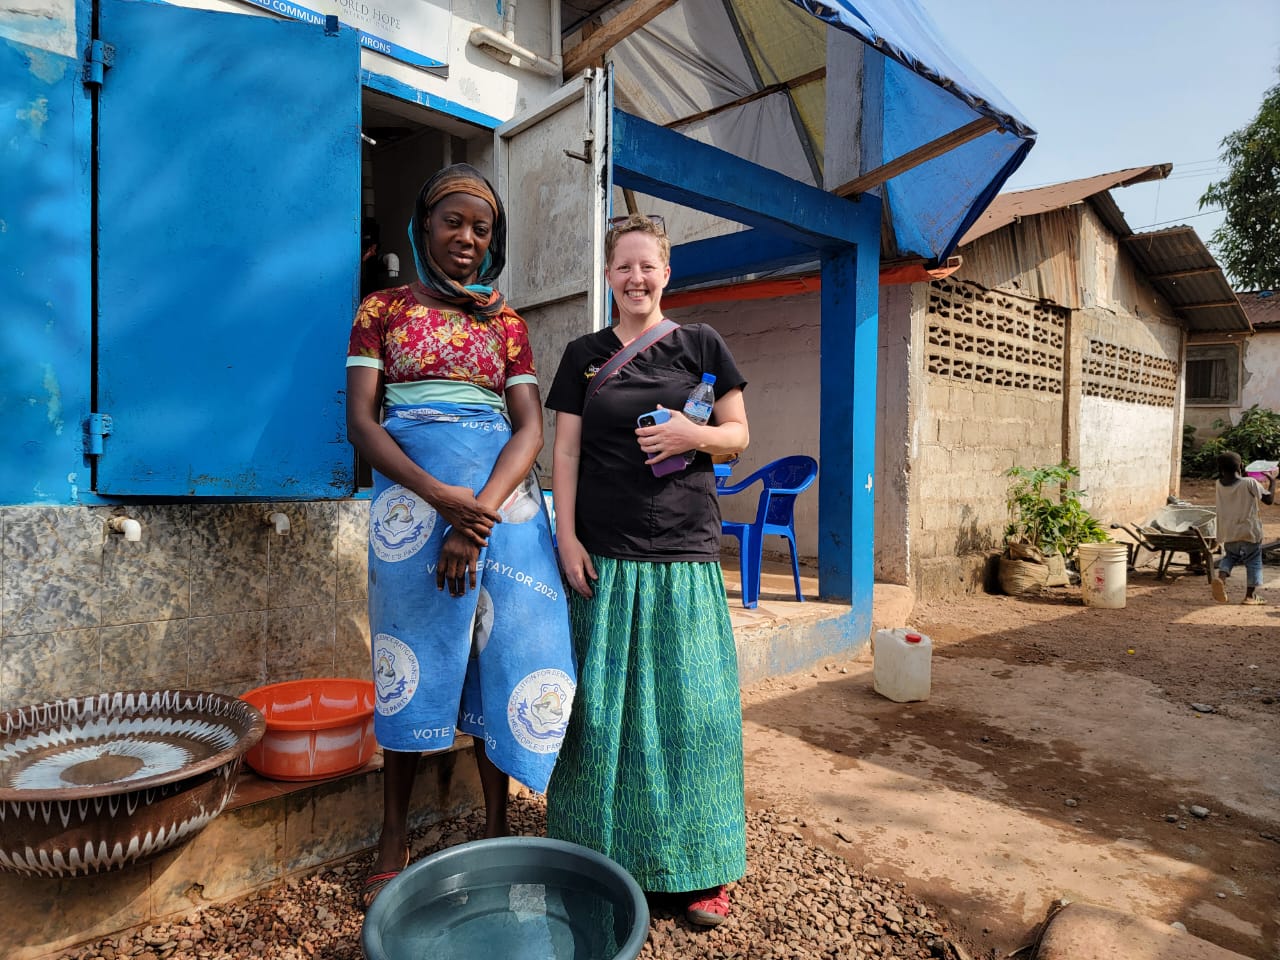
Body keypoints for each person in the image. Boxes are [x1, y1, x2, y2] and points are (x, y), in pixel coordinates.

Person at [346, 164, 575, 911]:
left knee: (503, 657)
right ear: (423, 227)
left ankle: (499, 824)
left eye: (481, 229)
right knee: (410, 656)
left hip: (500, 509)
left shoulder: (506, 324)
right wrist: (444, 502)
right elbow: (364, 423)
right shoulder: (380, 310)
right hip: (412, 514)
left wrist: (477, 514)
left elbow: (530, 427)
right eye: (454, 223)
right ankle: (392, 833)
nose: (468, 239)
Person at [543, 212, 750, 927]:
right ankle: (594, 856)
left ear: (668, 272)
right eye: (623, 266)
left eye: (648, 265)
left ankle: (702, 869)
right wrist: (565, 537)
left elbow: (738, 435)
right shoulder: (582, 355)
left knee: (696, 715)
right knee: (600, 716)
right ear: (607, 276)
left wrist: (695, 433)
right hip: (603, 555)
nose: (636, 278)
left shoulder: (701, 344)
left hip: (685, 554)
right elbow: (563, 453)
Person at [1211, 451, 1275, 605]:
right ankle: (1250, 596)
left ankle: (1221, 578)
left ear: (1220, 468)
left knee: (1230, 557)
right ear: (1240, 466)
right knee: (1253, 561)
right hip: (1249, 531)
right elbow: (1268, 500)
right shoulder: (1249, 482)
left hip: (1229, 531)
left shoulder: (1218, 484)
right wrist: (1273, 482)